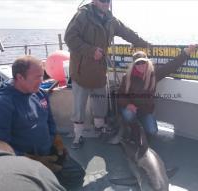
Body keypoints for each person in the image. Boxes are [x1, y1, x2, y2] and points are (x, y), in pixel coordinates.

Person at [0, 55, 85, 189]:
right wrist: (35, 161)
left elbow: (49, 120)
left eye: (42, 76)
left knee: (77, 174)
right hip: (23, 163)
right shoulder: (0, 105)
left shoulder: (40, 93)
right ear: (20, 77)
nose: (42, 80)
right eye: (37, 77)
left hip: (50, 152)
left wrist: (57, 141)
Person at [64, 0, 150, 149]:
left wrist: (144, 44)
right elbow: (69, 38)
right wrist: (91, 51)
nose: (106, 3)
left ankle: (100, 128)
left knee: (100, 103)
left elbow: (127, 32)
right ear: (94, 1)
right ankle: (78, 137)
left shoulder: (111, 20)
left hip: (99, 71)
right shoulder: (82, 15)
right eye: (103, 0)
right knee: (79, 107)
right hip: (81, 72)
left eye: (108, 0)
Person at [117, 44, 198, 144]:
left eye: (144, 62)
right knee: (128, 115)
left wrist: (186, 53)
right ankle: (132, 126)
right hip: (131, 109)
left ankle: (139, 124)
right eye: (138, 63)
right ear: (134, 64)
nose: (141, 65)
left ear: (147, 62)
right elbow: (120, 95)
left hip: (145, 110)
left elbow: (171, 66)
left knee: (152, 131)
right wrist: (128, 105)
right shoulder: (127, 77)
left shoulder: (153, 74)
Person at [0, 137, 66, 191]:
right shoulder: (34, 169)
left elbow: (49, 122)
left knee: (75, 175)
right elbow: (0, 140)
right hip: (34, 163)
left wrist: (57, 140)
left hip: (44, 155)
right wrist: (37, 160)